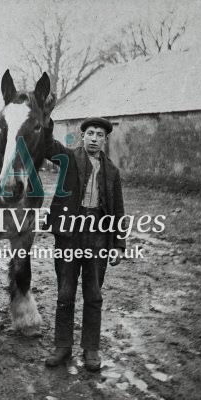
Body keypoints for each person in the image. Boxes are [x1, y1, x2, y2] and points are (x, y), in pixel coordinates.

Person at [42, 116, 127, 371]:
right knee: (65, 292)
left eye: (99, 135)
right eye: (90, 133)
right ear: (83, 136)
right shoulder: (68, 158)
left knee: (94, 294)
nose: (94, 138)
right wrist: (44, 118)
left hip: (98, 238)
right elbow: (48, 146)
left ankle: (91, 349)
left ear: (105, 139)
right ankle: (63, 347)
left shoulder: (112, 171)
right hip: (70, 236)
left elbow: (118, 209)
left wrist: (119, 243)